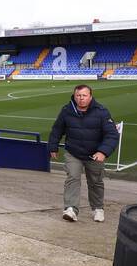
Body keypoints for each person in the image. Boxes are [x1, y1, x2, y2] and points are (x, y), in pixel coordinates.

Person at [47, 84, 119, 223]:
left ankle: (98, 208)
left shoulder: (101, 112)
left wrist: (103, 152)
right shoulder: (67, 110)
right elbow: (57, 130)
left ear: (90, 96)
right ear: (74, 96)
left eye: (84, 95)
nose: (81, 99)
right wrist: (53, 146)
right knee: (72, 178)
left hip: (94, 154)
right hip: (73, 152)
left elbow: (112, 134)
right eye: (78, 96)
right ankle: (71, 209)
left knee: (95, 182)